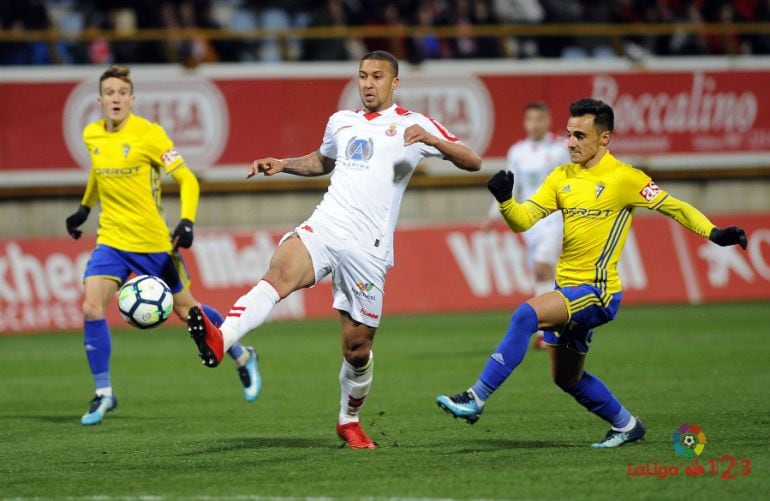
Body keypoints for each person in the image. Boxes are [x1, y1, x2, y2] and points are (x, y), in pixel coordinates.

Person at [186, 50, 481, 448]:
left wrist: (432, 141)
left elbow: (472, 161)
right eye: (363, 75)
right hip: (326, 226)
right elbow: (322, 161)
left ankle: (349, 420)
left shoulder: (414, 123)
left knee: (357, 349)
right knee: (279, 273)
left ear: (395, 82)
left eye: (377, 76)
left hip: (368, 249)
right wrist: (283, 164)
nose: (368, 84)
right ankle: (221, 339)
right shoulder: (341, 121)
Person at [436, 98, 747, 448]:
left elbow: (676, 208)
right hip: (567, 290)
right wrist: (507, 201)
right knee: (567, 378)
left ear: (605, 138)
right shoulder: (562, 177)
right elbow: (523, 221)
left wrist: (714, 233)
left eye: (580, 136)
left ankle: (475, 397)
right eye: (569, 134)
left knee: (525, 315)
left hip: (598, 292)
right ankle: (626, 425)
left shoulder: (625, 178)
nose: (570, 143)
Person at [65, 65, 261, 426]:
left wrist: (187, 220)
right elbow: (98, 171)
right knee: (92, 307)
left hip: (153, 243)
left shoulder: (149, 134)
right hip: (111, 240)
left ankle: (241, 354)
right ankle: (104, 392)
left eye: (122, 93)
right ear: (100, 100)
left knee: (189, 313)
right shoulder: (92, 134)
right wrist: (84, 208)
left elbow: (187, 179)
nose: (115, 99)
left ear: (132, 99)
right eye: (109, 93)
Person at [482, 102, 568, 350]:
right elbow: (511, 187)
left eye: (540, 119)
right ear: (525, 123)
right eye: (531, 119)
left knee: (542, 268)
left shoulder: (561, 150)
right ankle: (558, 323)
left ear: (548, 121)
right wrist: (493, 216)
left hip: (554, 219)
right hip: (530, 221)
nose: (535, 124)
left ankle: (546, 332)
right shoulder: (517, 152)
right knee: (542, 274)